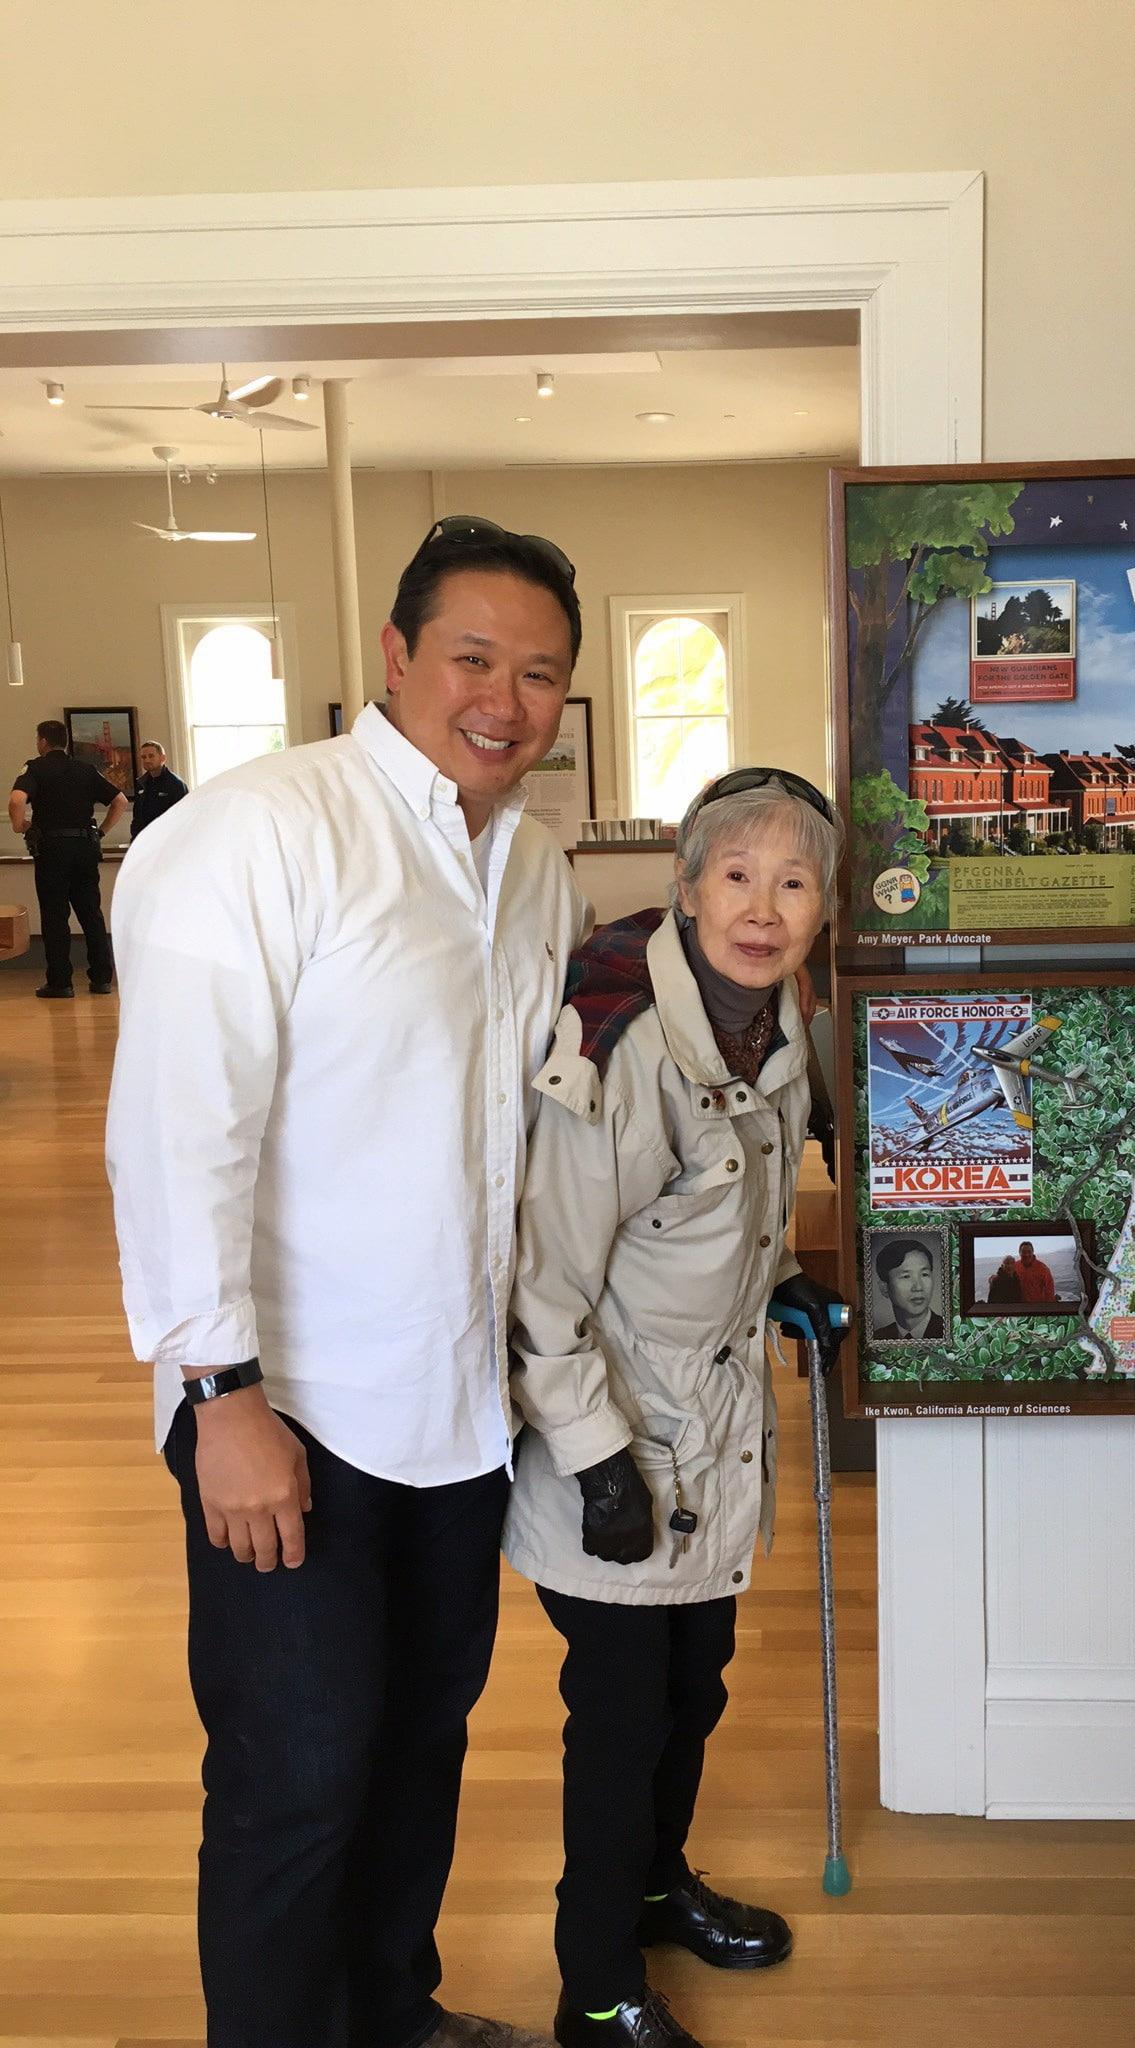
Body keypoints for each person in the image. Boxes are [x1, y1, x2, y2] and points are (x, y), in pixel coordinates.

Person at [106, 514, 595, 2048]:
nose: (502, 701)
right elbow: (181, 1133)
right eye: (472, 658)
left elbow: (519, 1123)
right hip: (288, 1409)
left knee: (419, 1741)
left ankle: (390, 2009)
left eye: (536, 673)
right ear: (394, 657)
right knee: (292, 1776)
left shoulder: (531, 870)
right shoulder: (259, 833)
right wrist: (217, 1392)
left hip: (453, 1400)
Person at [502, 768, 847, 2048]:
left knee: (693, 1689)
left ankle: (657, 1891)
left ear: (821, 907)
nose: (764, 905)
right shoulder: (632, 1045)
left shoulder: (777, 1016)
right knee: (620, 1719)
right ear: (689, 886)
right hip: (617, 1440)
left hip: (708, 1436)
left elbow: (732, 1208)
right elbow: (545, 1282)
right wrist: (596, 1461)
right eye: (739, 875)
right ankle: (593, 1986)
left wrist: (789, 1280)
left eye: (794, 880)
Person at [8, 718, 126, 997]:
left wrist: (20, 826)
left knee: (55, 916)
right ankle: (101, 979)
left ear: (43, 742)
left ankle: (61, 983)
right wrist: (102, 832)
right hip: (85, 848)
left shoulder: (35, 768)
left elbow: (16, 801)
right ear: (66, 742)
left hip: (52, 850)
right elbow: (120, 801)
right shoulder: (85, 769)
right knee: (91, 913)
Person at [872, 1238, 945, 1339]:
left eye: (924, 1274)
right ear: (884, 1288)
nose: (918, 1287)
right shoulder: (878, 1338)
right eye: (906, 1276)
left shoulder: (947, 1331)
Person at [131, 738, 189, 837]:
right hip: (144, 841)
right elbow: (137, 816)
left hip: (167, 840)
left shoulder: (176, 784)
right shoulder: (141, 784)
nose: (147, 760)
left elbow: (183, 818)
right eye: (144, 757)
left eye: (151, 756)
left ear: (162, 758)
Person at [1011, 1239, 1057, 1305]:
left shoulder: (1043, 1268)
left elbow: (1049, 1290)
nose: (1026, 1254)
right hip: (1019, 1305)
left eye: (1029, 1252)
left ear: (1033, 1252)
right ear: (1019, 1253)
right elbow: (1004, 1277)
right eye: (1023, 1252)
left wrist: (1048, 1308)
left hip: (1036, 1307)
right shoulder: (1014, 1266)